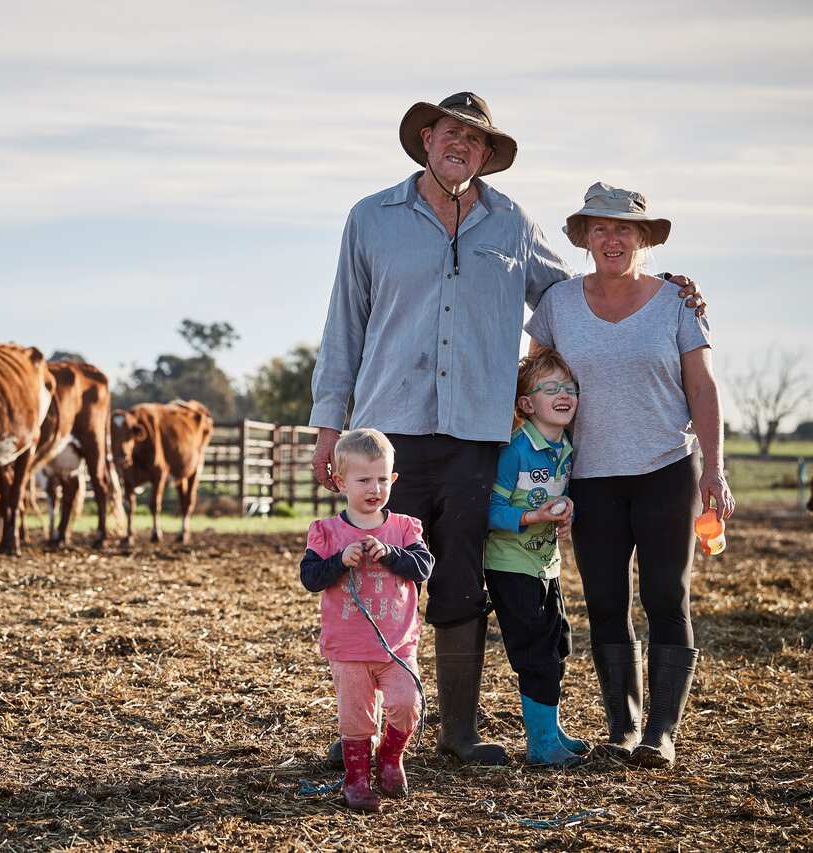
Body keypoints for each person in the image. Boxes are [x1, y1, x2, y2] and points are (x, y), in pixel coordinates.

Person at [309, 92, 704, 766]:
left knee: (461, 580)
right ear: (427, 139)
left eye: (477, 140)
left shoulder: (513, 224)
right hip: (389, 432)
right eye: (451, 134)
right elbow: (343, 323)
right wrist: (327, 424)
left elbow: (566, 292)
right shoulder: (370, 219)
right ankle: (365, 732)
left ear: (489, 156)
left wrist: (654, 283)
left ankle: (457, 734)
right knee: (374, 577)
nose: (462, 146)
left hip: (474, 435)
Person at [525, 182, 735, 769]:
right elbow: (534, 382)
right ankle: (623, 726)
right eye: (600, 228)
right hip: (590, 476)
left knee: (666, 595)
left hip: (667, 468)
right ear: (585, 238)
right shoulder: (558, 304)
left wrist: (714, 470)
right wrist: (536, 468)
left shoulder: (677, 303)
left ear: (644, 238)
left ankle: (661, 732)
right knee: (607, 600)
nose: (612, 238)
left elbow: (703, 388)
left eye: (624, 229)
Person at [300, 429, 434, 812]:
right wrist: (339, 561)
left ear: (392, 479)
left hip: (397, 643)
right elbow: (310, 578)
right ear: (341, 482)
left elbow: (423, 566)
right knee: (356, 717)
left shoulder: (405, 528)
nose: (374, 488)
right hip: (349, 646)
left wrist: (391, 554)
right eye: (363, 480)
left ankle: (391, 758)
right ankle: (356, 779)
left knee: (407, 704)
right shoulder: (326, 532)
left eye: (381, 478)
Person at [485, 349, 590, 766]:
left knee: (557, 644)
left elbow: (557, 497)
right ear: (527, 404)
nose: (564, 394)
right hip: (511, 565)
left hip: (546, 563)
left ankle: (550, 728)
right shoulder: (516, 450)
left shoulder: (563, 446)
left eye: (570, 388)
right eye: (551, 388)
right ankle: (540, 744)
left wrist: (567, 512)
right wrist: (533, 516)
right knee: (535, 653)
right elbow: (490, 513)